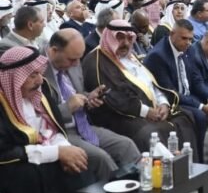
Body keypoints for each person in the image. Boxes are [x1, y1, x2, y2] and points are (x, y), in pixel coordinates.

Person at [0, 46, 93, 193]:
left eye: (40, 74)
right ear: (14, 77)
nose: (39, 80)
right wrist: (57, 153)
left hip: (33, 159)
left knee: (80, 160)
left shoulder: (40, 93)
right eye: (31, 75)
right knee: (32, 178)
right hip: (9, 165)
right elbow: (5, 152)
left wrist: (66, 150)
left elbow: (53, 129)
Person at [81, 19, 200, 158]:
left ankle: (187, 167)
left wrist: (163, 103)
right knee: (148, 133)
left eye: (129, 38)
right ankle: (161, 170)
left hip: (149, 109)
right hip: (119, 115)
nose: (126, 43)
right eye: (120, 38)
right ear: (109, 37)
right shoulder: (97, 61)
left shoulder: (129, 56)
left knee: (185, 118)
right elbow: (114, 97)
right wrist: (147, 112)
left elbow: (151, 83)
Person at [44, 28, 141, 183]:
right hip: (60, 133)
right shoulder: (38, 72)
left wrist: (89, 97)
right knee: (102, 158)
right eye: (72, 59)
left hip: (83, 125)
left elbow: (76, 93)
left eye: (79, 58)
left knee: (126, 146)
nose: (76, 64)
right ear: (54, 51)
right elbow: (39, 116)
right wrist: (68, 107)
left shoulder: (73, 61)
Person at [142, 20, 208, 161]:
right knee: (199, 116)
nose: (188, 43)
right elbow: (170, 92)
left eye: (190, 39)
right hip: (171, 100)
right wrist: (201, 106)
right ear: (172, 34)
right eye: (184, 38)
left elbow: (196, 80)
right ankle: (198, 161)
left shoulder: (189, 49)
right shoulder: (158, 56)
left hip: (187, 94)